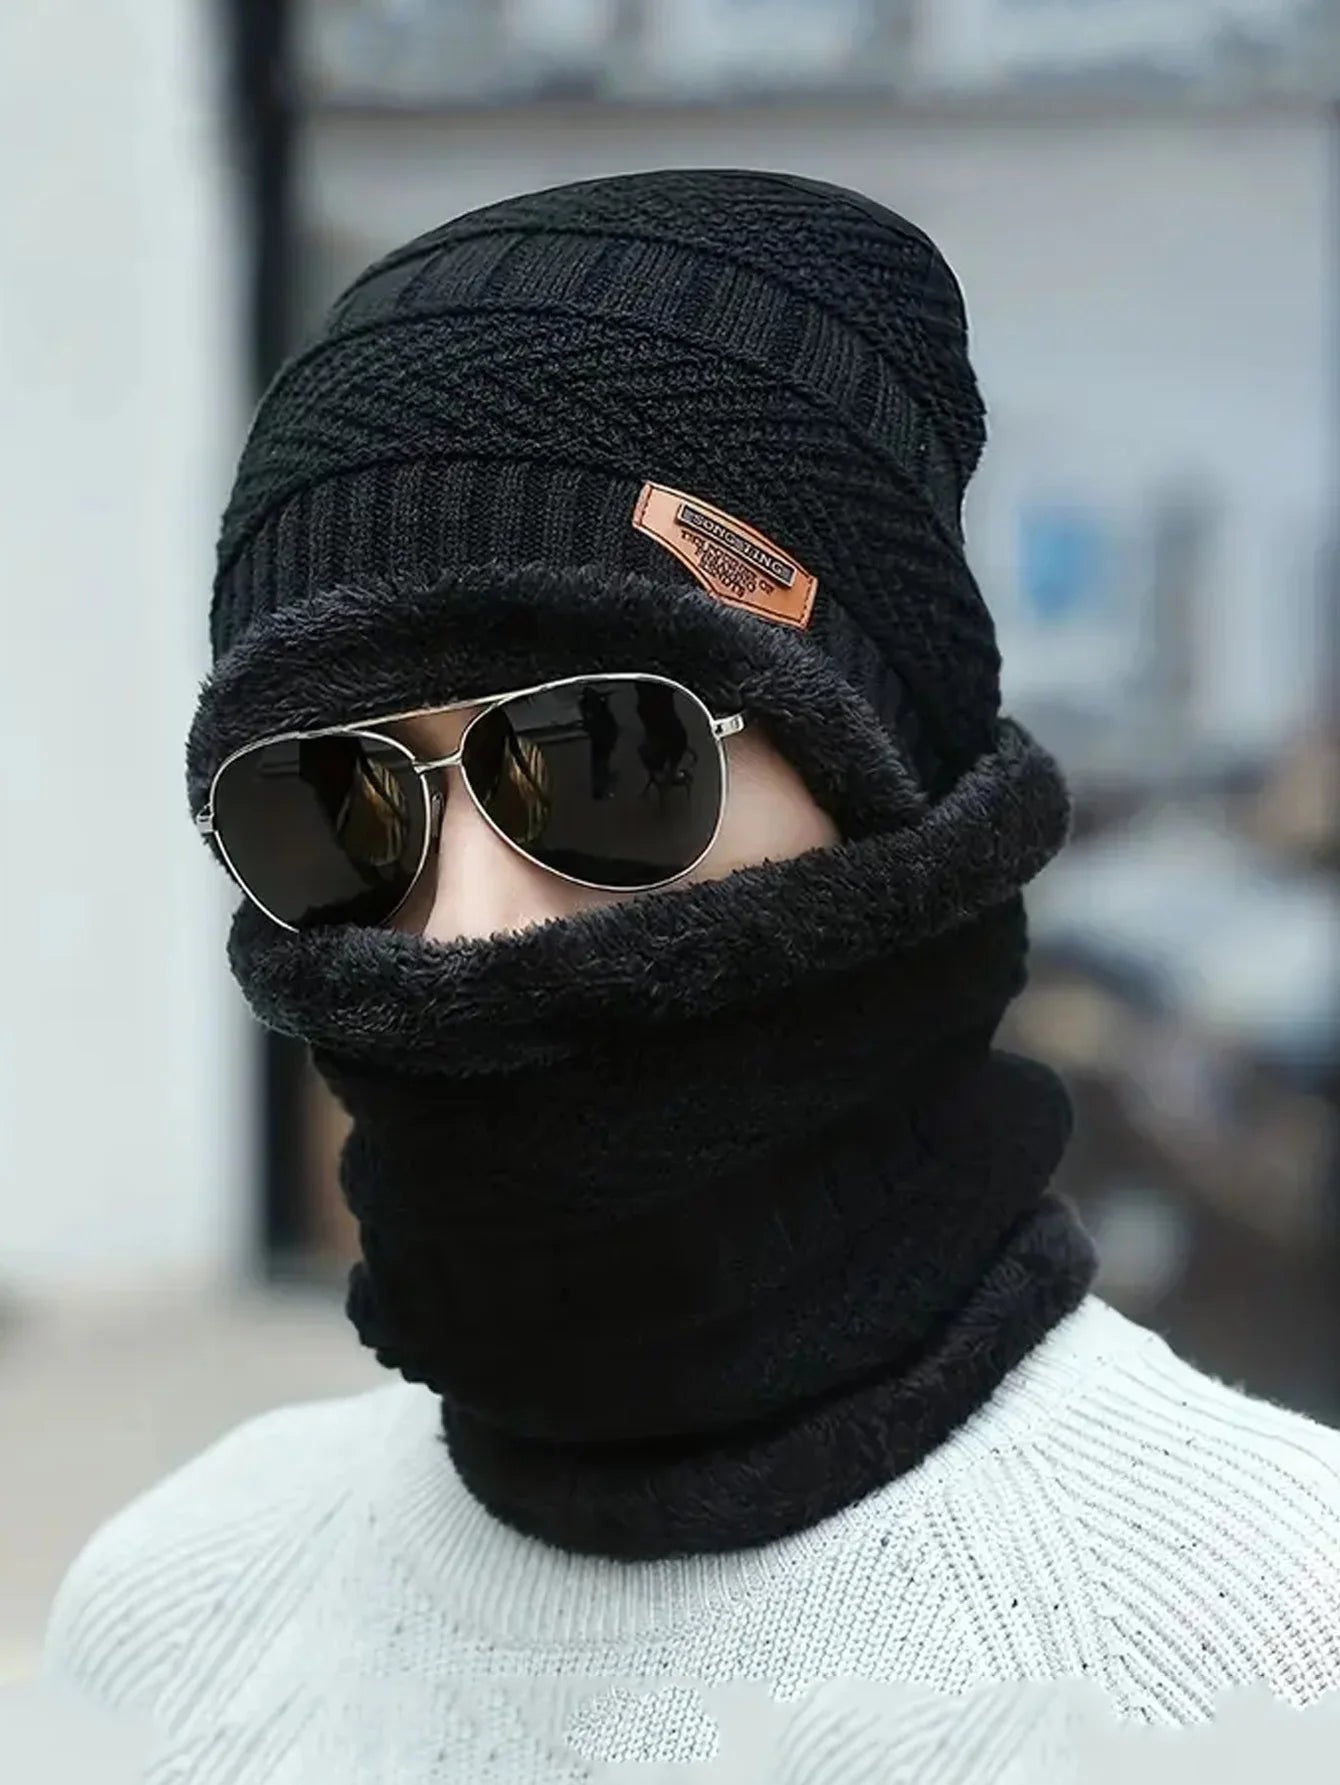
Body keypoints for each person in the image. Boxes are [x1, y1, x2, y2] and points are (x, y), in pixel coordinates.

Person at [41, 169, 1340, 1781]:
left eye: (607, 758)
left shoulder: (1274, 1629)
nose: (464, 927)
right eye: (333, 804)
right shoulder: (174, 1610)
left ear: (888, 789)